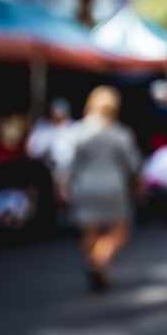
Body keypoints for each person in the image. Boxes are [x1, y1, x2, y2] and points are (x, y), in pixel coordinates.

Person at [61, 88, 142, 291]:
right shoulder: (119, 133)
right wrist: (139, 185)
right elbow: (133, 164)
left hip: (84, 185)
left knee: (90, 229)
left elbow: (66, 162)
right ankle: (99, 261)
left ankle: (96, 265)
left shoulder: (77, 131)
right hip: (113, 185)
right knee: (120, 230)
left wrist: (62, 185)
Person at [26, 98, 75, 169]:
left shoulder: (74, 127)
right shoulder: (42, 125)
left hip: (68, 169)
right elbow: (31, 150)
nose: (58, 113)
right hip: (43, 167)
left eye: (61, 110)